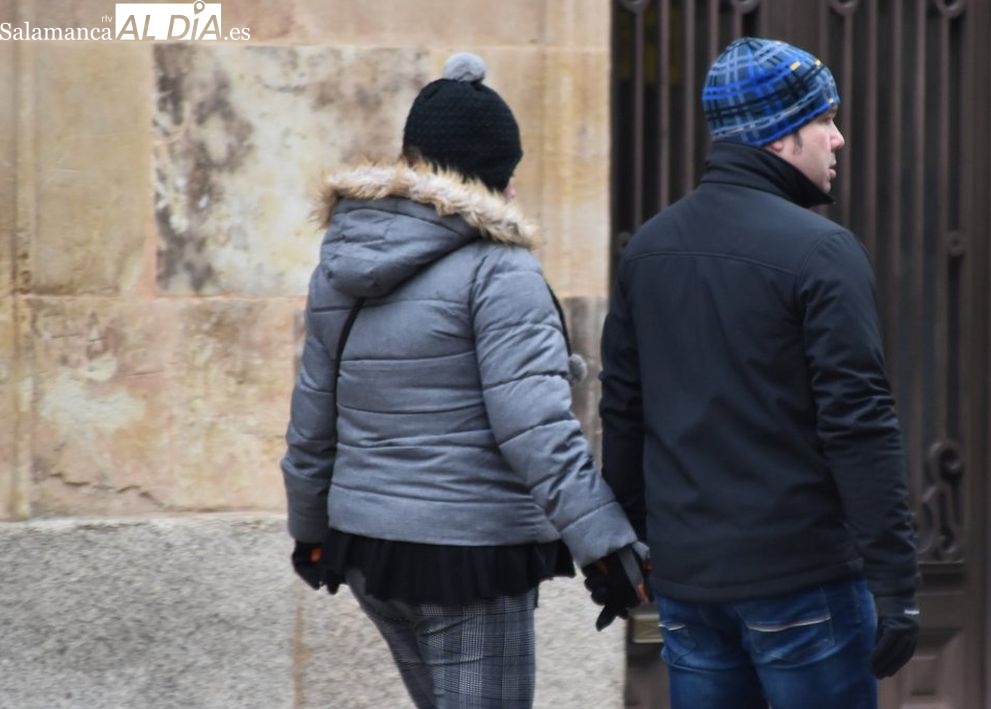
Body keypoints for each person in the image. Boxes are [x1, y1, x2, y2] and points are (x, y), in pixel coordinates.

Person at [281, 52, 645, 709]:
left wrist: (309, 531)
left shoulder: (343, 256)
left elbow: (312, 410)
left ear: (411, 159)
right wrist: (608, 547)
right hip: (466, 559)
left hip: (369, 551)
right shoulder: (500, 270)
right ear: (497, 176)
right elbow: (534, 429)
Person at [597, 37, 921, 708]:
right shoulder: (823, 252)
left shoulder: (648, 249)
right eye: (824, 120)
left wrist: (620, 548)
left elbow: (623, 412)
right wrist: (896, 584)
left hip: (689, 585)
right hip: (802, 582)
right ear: (779, 137)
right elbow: (859, 426)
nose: (838, 139)